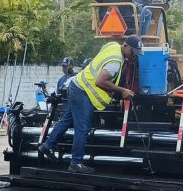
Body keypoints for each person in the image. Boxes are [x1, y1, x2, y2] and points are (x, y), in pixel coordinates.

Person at [37, 36, 143, 174]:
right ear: (126, 47)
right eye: (134, 52)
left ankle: (47, 145)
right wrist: (122, 90)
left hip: (77, 84)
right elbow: (100, 81)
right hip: (83, 91)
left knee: (67, 120)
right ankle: (76, 163)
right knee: (83, 128)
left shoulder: (112, 45)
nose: (135, 56)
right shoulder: (115, 62)